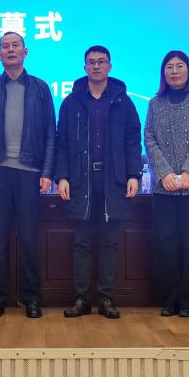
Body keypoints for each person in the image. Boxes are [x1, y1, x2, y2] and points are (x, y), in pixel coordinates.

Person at [0, 31, 56, 319]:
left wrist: (47, 171)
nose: (10, 50)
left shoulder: (40, 88)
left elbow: (50, 133)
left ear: (25, 51)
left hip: (30, 173)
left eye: (15, 45)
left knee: (29, 239)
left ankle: (31, 299)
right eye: (5, 46)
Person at [55, 45, 143, 319]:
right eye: (91, 62)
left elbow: (133, 140)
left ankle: (106, 299)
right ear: (84, 68)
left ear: (109, 66)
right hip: (81, 181)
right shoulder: (71, 102)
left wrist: (134, 174)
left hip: (113, 180)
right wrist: (62, 176)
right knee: (81, 243)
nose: (96, 66)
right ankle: (82, 299)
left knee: (109, 243)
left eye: (101, 61)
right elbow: (61, 142)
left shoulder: (123, 102)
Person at [143, 50, 189, 318]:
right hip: (164, 188)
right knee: (166, 243)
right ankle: (169, 298)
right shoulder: (155, 103)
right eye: (169, 67)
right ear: (163, 73)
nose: (174, 71)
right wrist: (164, 173)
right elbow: (149, 138)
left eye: (180, 66)